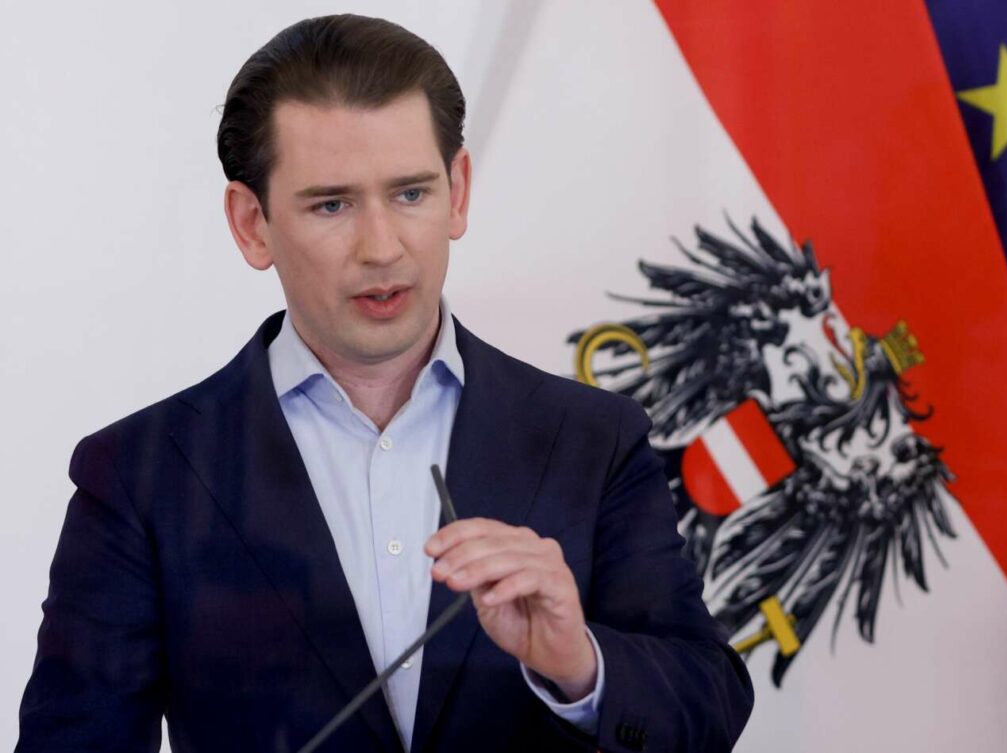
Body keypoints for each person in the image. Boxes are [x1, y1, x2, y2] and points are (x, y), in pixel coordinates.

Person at [16, 14, 753, 753]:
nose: (382, 247)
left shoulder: (595, 439)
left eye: (410, 194)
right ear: (251, 223)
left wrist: (579, 664)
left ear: (457, 191)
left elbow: (709, 706)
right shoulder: (139, 476)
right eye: (331, 204)